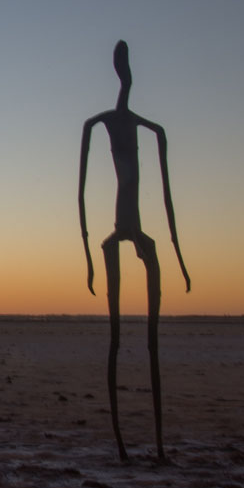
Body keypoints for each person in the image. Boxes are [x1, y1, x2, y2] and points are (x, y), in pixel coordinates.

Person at [78, 40, 190, 463]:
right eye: (122, 69)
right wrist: (89, 253)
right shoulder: (99, 123)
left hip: (140, 233)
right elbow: (82, 192)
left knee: (151, 341)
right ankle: (124, 445)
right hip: (118, 233)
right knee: (116, 339)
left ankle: (157, 446)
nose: (125, 75)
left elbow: (167, 195)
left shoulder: (150, 128)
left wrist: (178, 255)